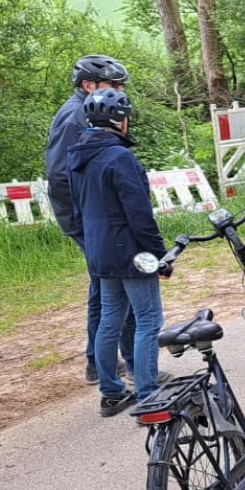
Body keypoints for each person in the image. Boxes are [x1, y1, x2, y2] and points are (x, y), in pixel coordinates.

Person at [66, 89, 166, 416]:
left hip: (99, 252)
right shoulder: (120, 158)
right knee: (149, 320)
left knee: (110, 319)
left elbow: (78, 210)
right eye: (126, 117)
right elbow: (140, 215)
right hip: (131, 253)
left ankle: (111, 393)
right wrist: (159, 254)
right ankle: (149, 392)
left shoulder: (77, 157)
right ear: (119, 121)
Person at [46, 55, 139, 387]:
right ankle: (116, 365)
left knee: (108, 283)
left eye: (121, 85)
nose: (120, 91)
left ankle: (109, 363)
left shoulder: (89, 109)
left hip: (95, 215)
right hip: (87, 216)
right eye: (114, 85)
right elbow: (60, 174)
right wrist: (91, 216)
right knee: (115, 282)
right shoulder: (75, 116)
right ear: (89, 86)